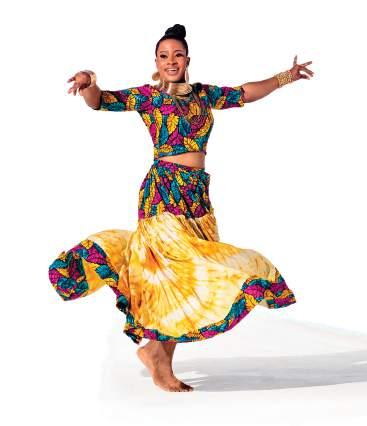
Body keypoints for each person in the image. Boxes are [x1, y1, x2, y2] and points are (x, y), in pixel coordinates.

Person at [49, 24, 314, 393]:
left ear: (188, 60)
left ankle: (157, 353)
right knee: (169, 268)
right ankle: (159, 359)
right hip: (162, 191)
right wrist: (89, 82)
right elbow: (102, 101)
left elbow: (245, 93)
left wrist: (286, 76)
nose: (171, 61)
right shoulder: (149, 96)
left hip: (197, 196)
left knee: (185, 275)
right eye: (164, 56)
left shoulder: (204, 95)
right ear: (156, 62)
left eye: (177, 55)